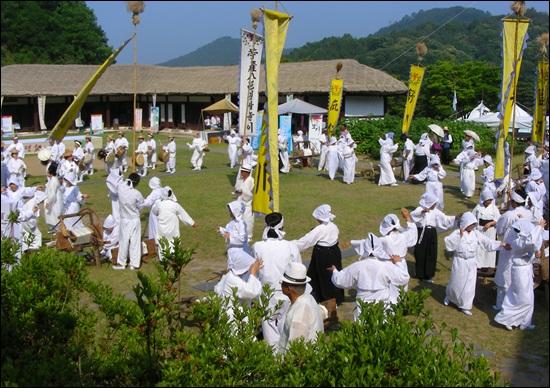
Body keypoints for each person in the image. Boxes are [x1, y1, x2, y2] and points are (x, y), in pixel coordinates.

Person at [251, 212, 304, 347]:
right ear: (282, 227)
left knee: (269, 326)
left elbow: (255, 270)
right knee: (286, 324)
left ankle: (275, 356)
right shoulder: (290, 246)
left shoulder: (258, 246)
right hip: (287, 291)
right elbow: (299, 269)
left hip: (267, 292)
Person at [329, 233, 410, 321]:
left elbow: (340, 280)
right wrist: (399, 263)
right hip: (382, 306)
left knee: (364, 330)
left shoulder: (358, 266)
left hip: (363, 306)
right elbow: (403, 278)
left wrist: (334, 271)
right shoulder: (385, 266)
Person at [443, 212, 509, 316]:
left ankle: (465, 305)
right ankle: (450, 296)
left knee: (469, 285)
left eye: (474, 224)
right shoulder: (457, 233)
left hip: (471, 262)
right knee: (456, 282)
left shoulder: (476, 234)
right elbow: (448, 243)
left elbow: (486, 242)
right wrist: (459, 236)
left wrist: (500, 244)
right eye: (471, 224)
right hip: (460, 261)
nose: (473, 226)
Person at [494, 218, 546, 330]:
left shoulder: (521, 241)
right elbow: (530, 241)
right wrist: (539, 227)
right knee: (523, 298)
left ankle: (525, 323)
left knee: (529, 297)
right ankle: (508, 319)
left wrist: (537, 252)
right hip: (520, 272)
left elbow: (533, 244)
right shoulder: (518, 242)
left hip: (526, 270)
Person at [290, 204, 344, 305]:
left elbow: (305, 242)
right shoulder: (333, 226)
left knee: (322, 277)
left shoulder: (319, 230)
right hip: (334, 252)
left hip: (322, 255)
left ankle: (324, 300)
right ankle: (336, 299)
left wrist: (288, 245)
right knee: (332, 275)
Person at [494, 189, 534, 311]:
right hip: (523, 249)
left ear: (514, 202)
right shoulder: (529, 214)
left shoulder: (508, 215)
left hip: (509, 247)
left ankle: (501, 304)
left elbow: (500, 230)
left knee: (504, 274)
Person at [410, 192, 461, 284]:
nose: (434, 205)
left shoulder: (435, 211)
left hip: (431, 233)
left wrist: (455, 218)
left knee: (430, 253)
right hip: (421, 233)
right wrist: (422, 212)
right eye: (433, 204)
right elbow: (413, 215)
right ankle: (419, 273)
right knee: (420, 253)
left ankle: (428, 274)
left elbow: (444, 219)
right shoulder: (420, 208)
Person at [277, 262, 324, 355]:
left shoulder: (301, 311)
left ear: (289, 288)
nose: (281, 285)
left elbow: (295, 347)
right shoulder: (308, 298)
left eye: (282, 283)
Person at [214, 254, 263, 332]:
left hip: (232, 314)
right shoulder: (233, 280)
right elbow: (251, 292)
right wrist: (253, 273)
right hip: (234, 317)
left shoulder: (230, 275)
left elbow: (217, 289)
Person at [376, 209, 418, 301]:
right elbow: (412, 232)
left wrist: (352, 242)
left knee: (388, 288)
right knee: (401, 287)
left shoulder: (385, 239)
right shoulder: (403, 236)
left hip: (388, 265)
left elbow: (370, 243)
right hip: (401, 263)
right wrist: (407, 217)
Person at [152, 186, 198, 261]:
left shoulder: (159, 204)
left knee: (162, 243)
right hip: (172, 228)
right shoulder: (174, 205)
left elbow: (154, 211)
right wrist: (192, 223)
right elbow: (183, 215)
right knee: (173, 242)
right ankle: (173, 258)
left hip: (162, 228)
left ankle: (163, 259)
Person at [112, 173, 145, 270]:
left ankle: (122, 262)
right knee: (135, 241)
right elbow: (141, 205)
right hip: (134, 218)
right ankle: (134, 263)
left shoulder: (121, 189)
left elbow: (120, 183)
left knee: (124, 241)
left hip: (125, 219)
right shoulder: (136, 193)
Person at [216, 201, 252, 270]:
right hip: (233, 249)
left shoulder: (241, 223)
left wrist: (230, 237)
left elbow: (243, 238)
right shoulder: (232, 222)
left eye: (231, 212)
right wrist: (221, 230)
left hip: (241, 250)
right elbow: (229, 231)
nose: (229, 213)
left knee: (240, 268)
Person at [472, 188, 501, 270]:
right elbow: (473, 217)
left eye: (491, 200)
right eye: (488, 200)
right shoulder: (478, 207)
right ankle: (479, 264)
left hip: (490, 231)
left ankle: (489, 264)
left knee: (489, 246)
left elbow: (498, 219)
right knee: (480, 247)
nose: (490, 201)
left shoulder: (494, 208)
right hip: (480, 229)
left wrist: (490, 223)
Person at [234, 163, 255, 242]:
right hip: (240, 202)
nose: (241, 173)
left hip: (248, 204)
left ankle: (249, 236)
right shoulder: (240, 180)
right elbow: (236, 188)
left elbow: (251, 194)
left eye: (242, 171)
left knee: (248, 220)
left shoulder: (251, 181)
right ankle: (240, 233)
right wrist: (237, 191)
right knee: (239, 219)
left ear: (247, 172)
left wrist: (242, 191)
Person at [44, 162, 63, 234]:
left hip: (54, 202)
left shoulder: (53, 181)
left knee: (54, 215)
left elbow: (52, 194)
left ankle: (56, 229)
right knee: (52, 215)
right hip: (55, 201)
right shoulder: (53, 180)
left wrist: (49, 203)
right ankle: (53, 229)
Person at [142, 176, 163, 242]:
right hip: (163, 209)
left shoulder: (154, 192)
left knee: (155, 225)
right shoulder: (163, 189)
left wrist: (140, 199)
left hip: (155, 210)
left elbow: (147, 202)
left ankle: (157, 240)